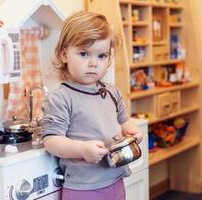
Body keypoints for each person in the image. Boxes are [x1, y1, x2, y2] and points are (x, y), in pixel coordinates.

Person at [42, 11, 143, 200]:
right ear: (64, 54)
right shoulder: (61, 98)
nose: (93, 63)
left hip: (116, 178)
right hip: (84, 189)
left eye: (102, 56)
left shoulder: (112, 91)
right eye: (84, 53)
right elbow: (51, 141)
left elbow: (123, 121)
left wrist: (133, 132)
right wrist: (82, 150)